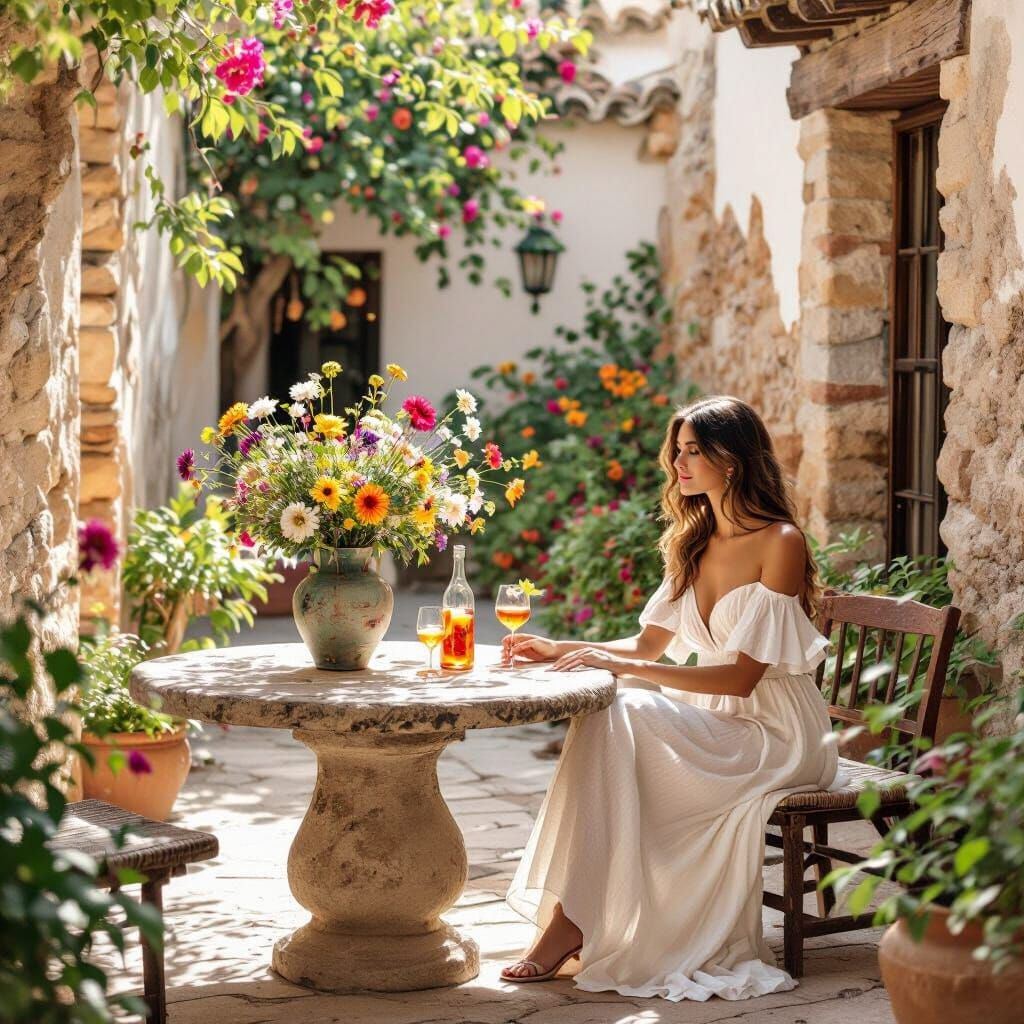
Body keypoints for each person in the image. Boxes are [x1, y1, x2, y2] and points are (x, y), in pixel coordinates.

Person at [499, 395, 839, 1002]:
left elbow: (741, 678)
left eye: (692, 452)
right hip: (722, 726)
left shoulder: (779, 541)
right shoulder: (695, 540)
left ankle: (574, 921)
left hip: (779, 736)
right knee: (615, 714)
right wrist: (561, 647)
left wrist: (624, 667)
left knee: (625, 703)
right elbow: (648, 644)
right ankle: (574, 918)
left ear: (730, 460)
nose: (678, 464)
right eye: (676, 451)